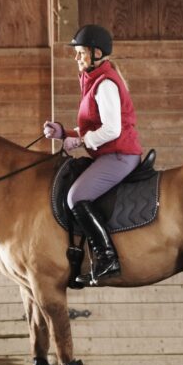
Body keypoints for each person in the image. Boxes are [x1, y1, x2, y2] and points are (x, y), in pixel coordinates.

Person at [43, 24, 143, 285]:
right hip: (109, 153)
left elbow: (111, 129)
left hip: (120, 155)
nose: (76, 58)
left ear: (96, 53)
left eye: (80, 52)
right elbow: (94, 126)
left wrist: (78, 141)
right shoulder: (94, 80)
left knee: (76, 197)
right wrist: (64, 132)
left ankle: (108, 258)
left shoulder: (105, 84)